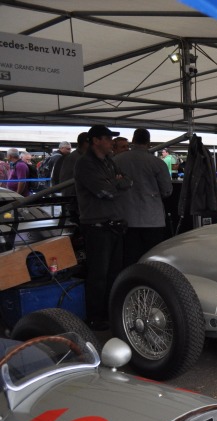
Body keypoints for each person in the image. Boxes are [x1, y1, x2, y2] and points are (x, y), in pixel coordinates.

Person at [74, 125, 134, 330]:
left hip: (114, 224)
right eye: (108, 138)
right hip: (96, 226)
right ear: (96, 141)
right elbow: (104, 191)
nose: (111, 142)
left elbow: (128, 182)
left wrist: (115, 183)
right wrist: (116, 183)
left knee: (114, 273)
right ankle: (95, 317)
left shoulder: (109, 161)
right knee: (98, 274)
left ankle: (110, 312)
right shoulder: (85, 164)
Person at [114, 128, 173, 267]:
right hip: (152, 219)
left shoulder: (116, 161)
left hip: (125, 218)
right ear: (148, 142)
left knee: (129, 259)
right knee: (152, 260)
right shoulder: (157, 163)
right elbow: (167, 191)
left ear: (133, 140)